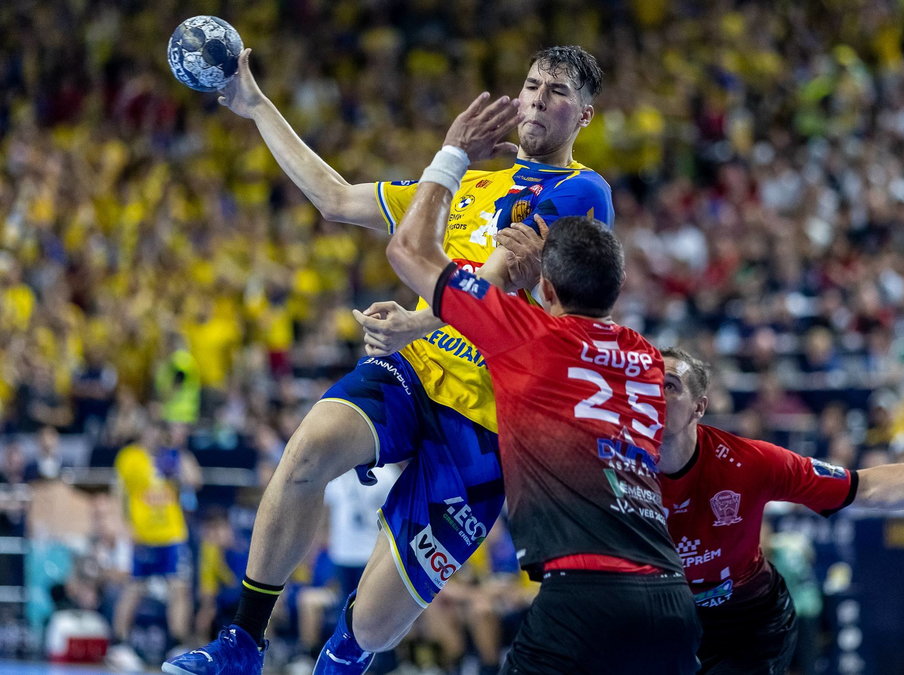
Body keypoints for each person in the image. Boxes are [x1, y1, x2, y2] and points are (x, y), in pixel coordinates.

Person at [164, 44, 612, 675]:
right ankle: (242, 642)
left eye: (558, 92)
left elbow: (503, 277)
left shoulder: (583, 190)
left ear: (585, 115)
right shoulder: (468, 180)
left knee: (375, 625)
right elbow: (337, 199)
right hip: (417, 369)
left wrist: (414, 319)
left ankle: (342, 655)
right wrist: (257, 106)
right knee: (309, 449)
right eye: (533, 84)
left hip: (490, 421)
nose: (539, 98)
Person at [382, 92, 700, 674]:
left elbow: (407, 251)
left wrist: (452, 154)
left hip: (582, 594)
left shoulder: (527, 335)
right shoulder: (650, 362)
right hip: (670, 598)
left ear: (547, 290)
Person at [656, 348, 904, 674]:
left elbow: (868, 488)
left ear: (699, 407)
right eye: (647, 383)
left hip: (748, 626)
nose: (655, 394)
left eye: (670, 385)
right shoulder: (611, 467)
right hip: (666, 620)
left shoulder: (749, 463)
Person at [107, 424, 201, 672]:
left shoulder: (172, 456)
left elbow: (195, 481)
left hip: (172, 533)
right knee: (134, 587)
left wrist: (179, 454)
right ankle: (120, 644)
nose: (154, 433)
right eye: (149, 429)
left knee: (179, 588)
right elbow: (118, 494)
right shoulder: (129, 457)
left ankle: (178, 646)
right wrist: (124, 526)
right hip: (143, 534)